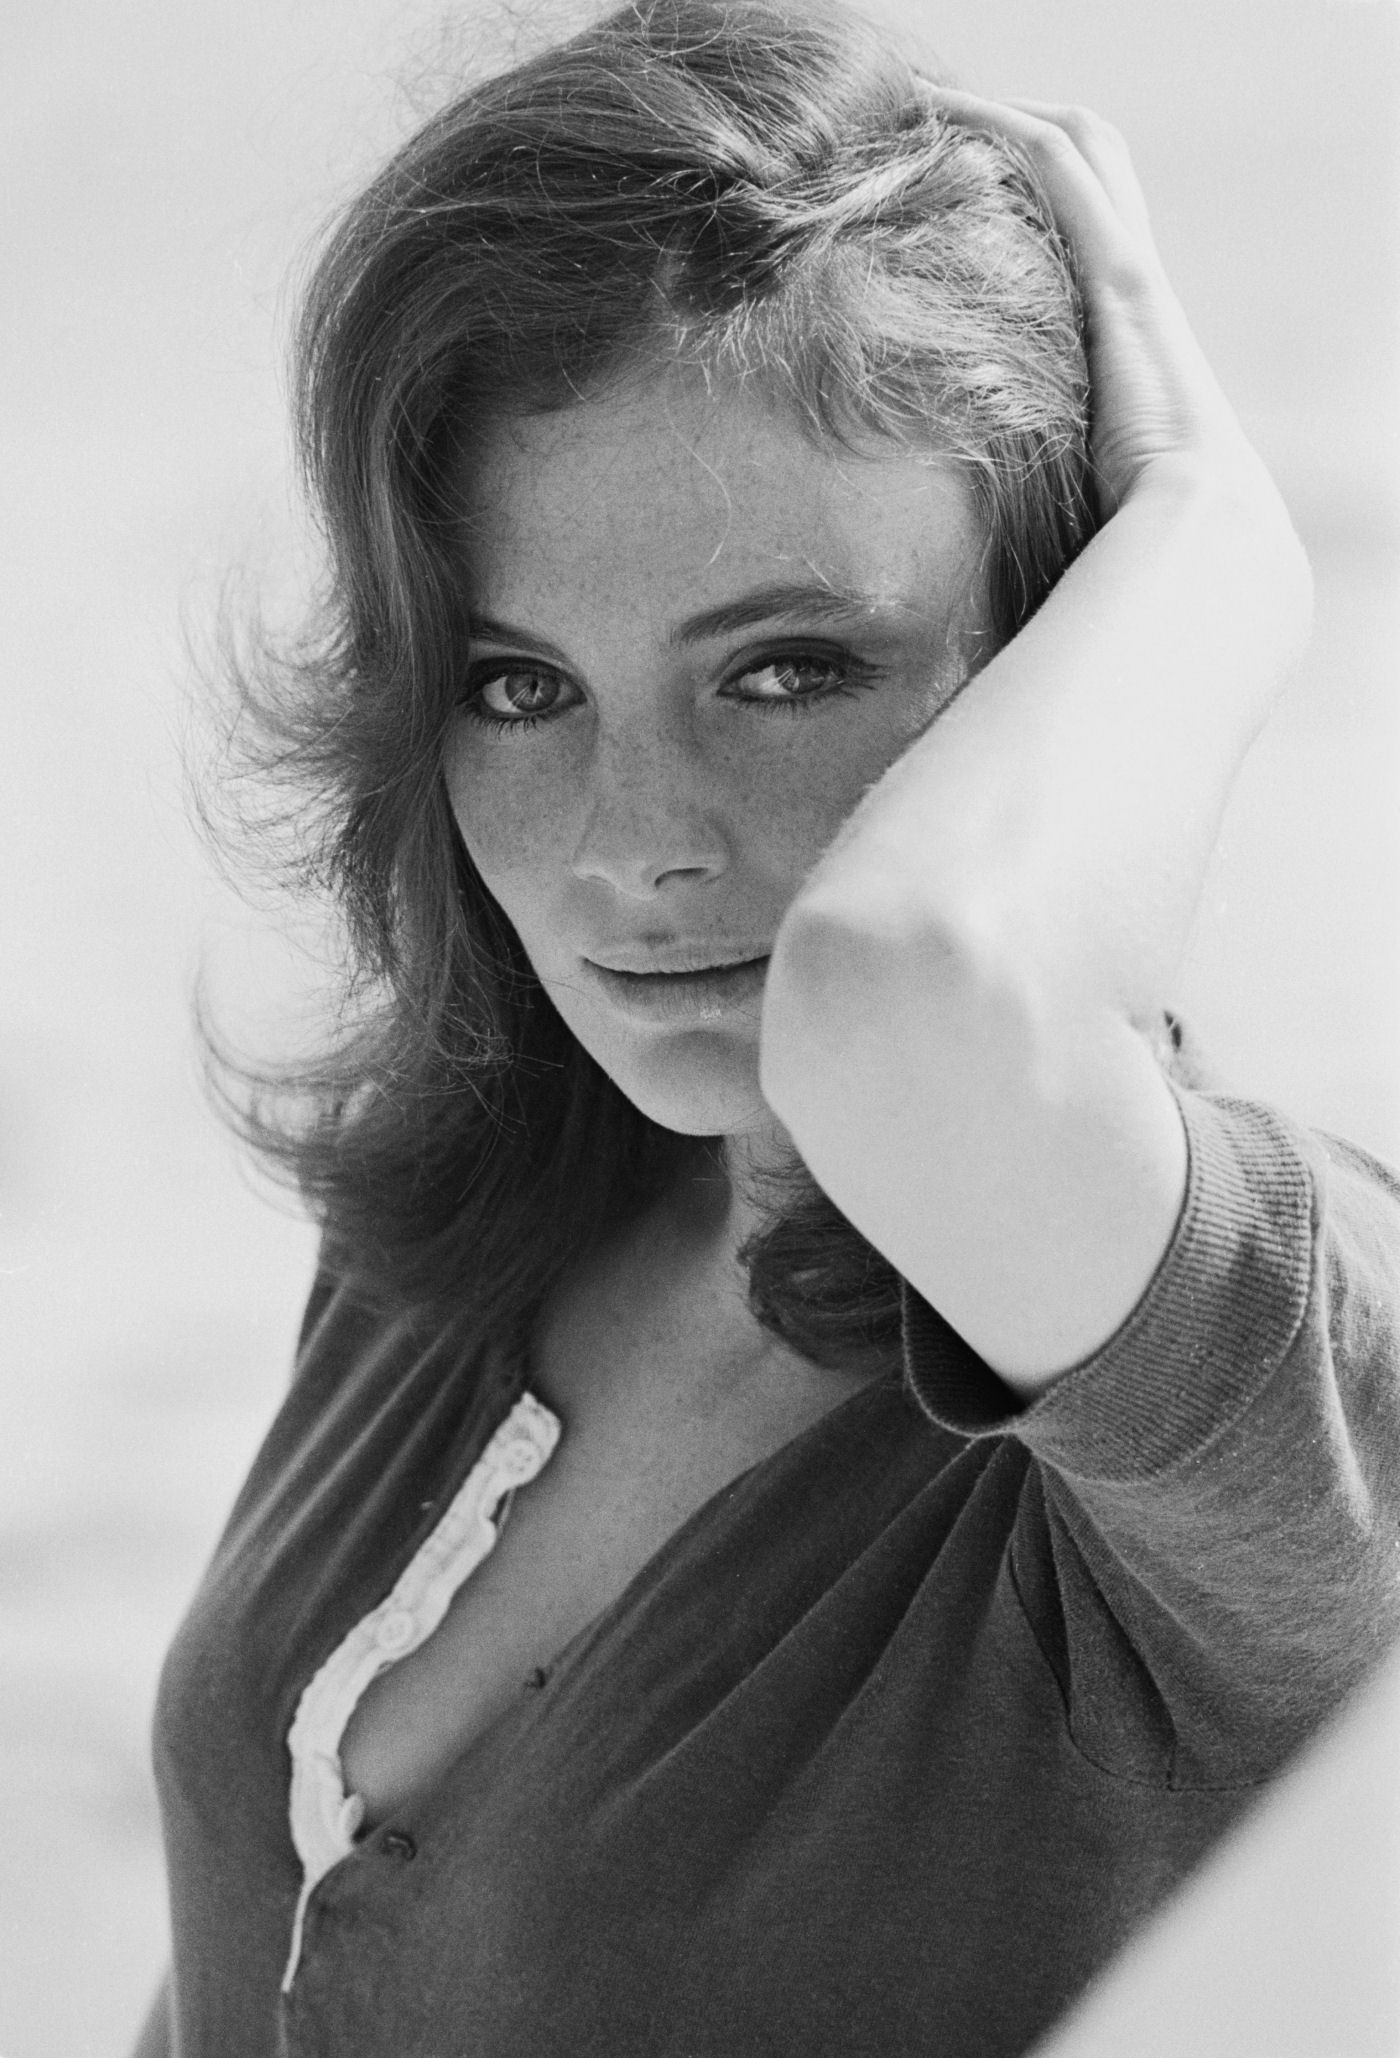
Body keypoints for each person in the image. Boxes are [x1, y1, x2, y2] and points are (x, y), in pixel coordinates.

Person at [133, 1, 1400, 2053]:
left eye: (790, 669)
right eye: (521, 686)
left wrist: (1209, 533)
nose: (632, 845)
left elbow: (914, 1000)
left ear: (1058, 657)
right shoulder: (472, 1232)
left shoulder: (1253, 1391)